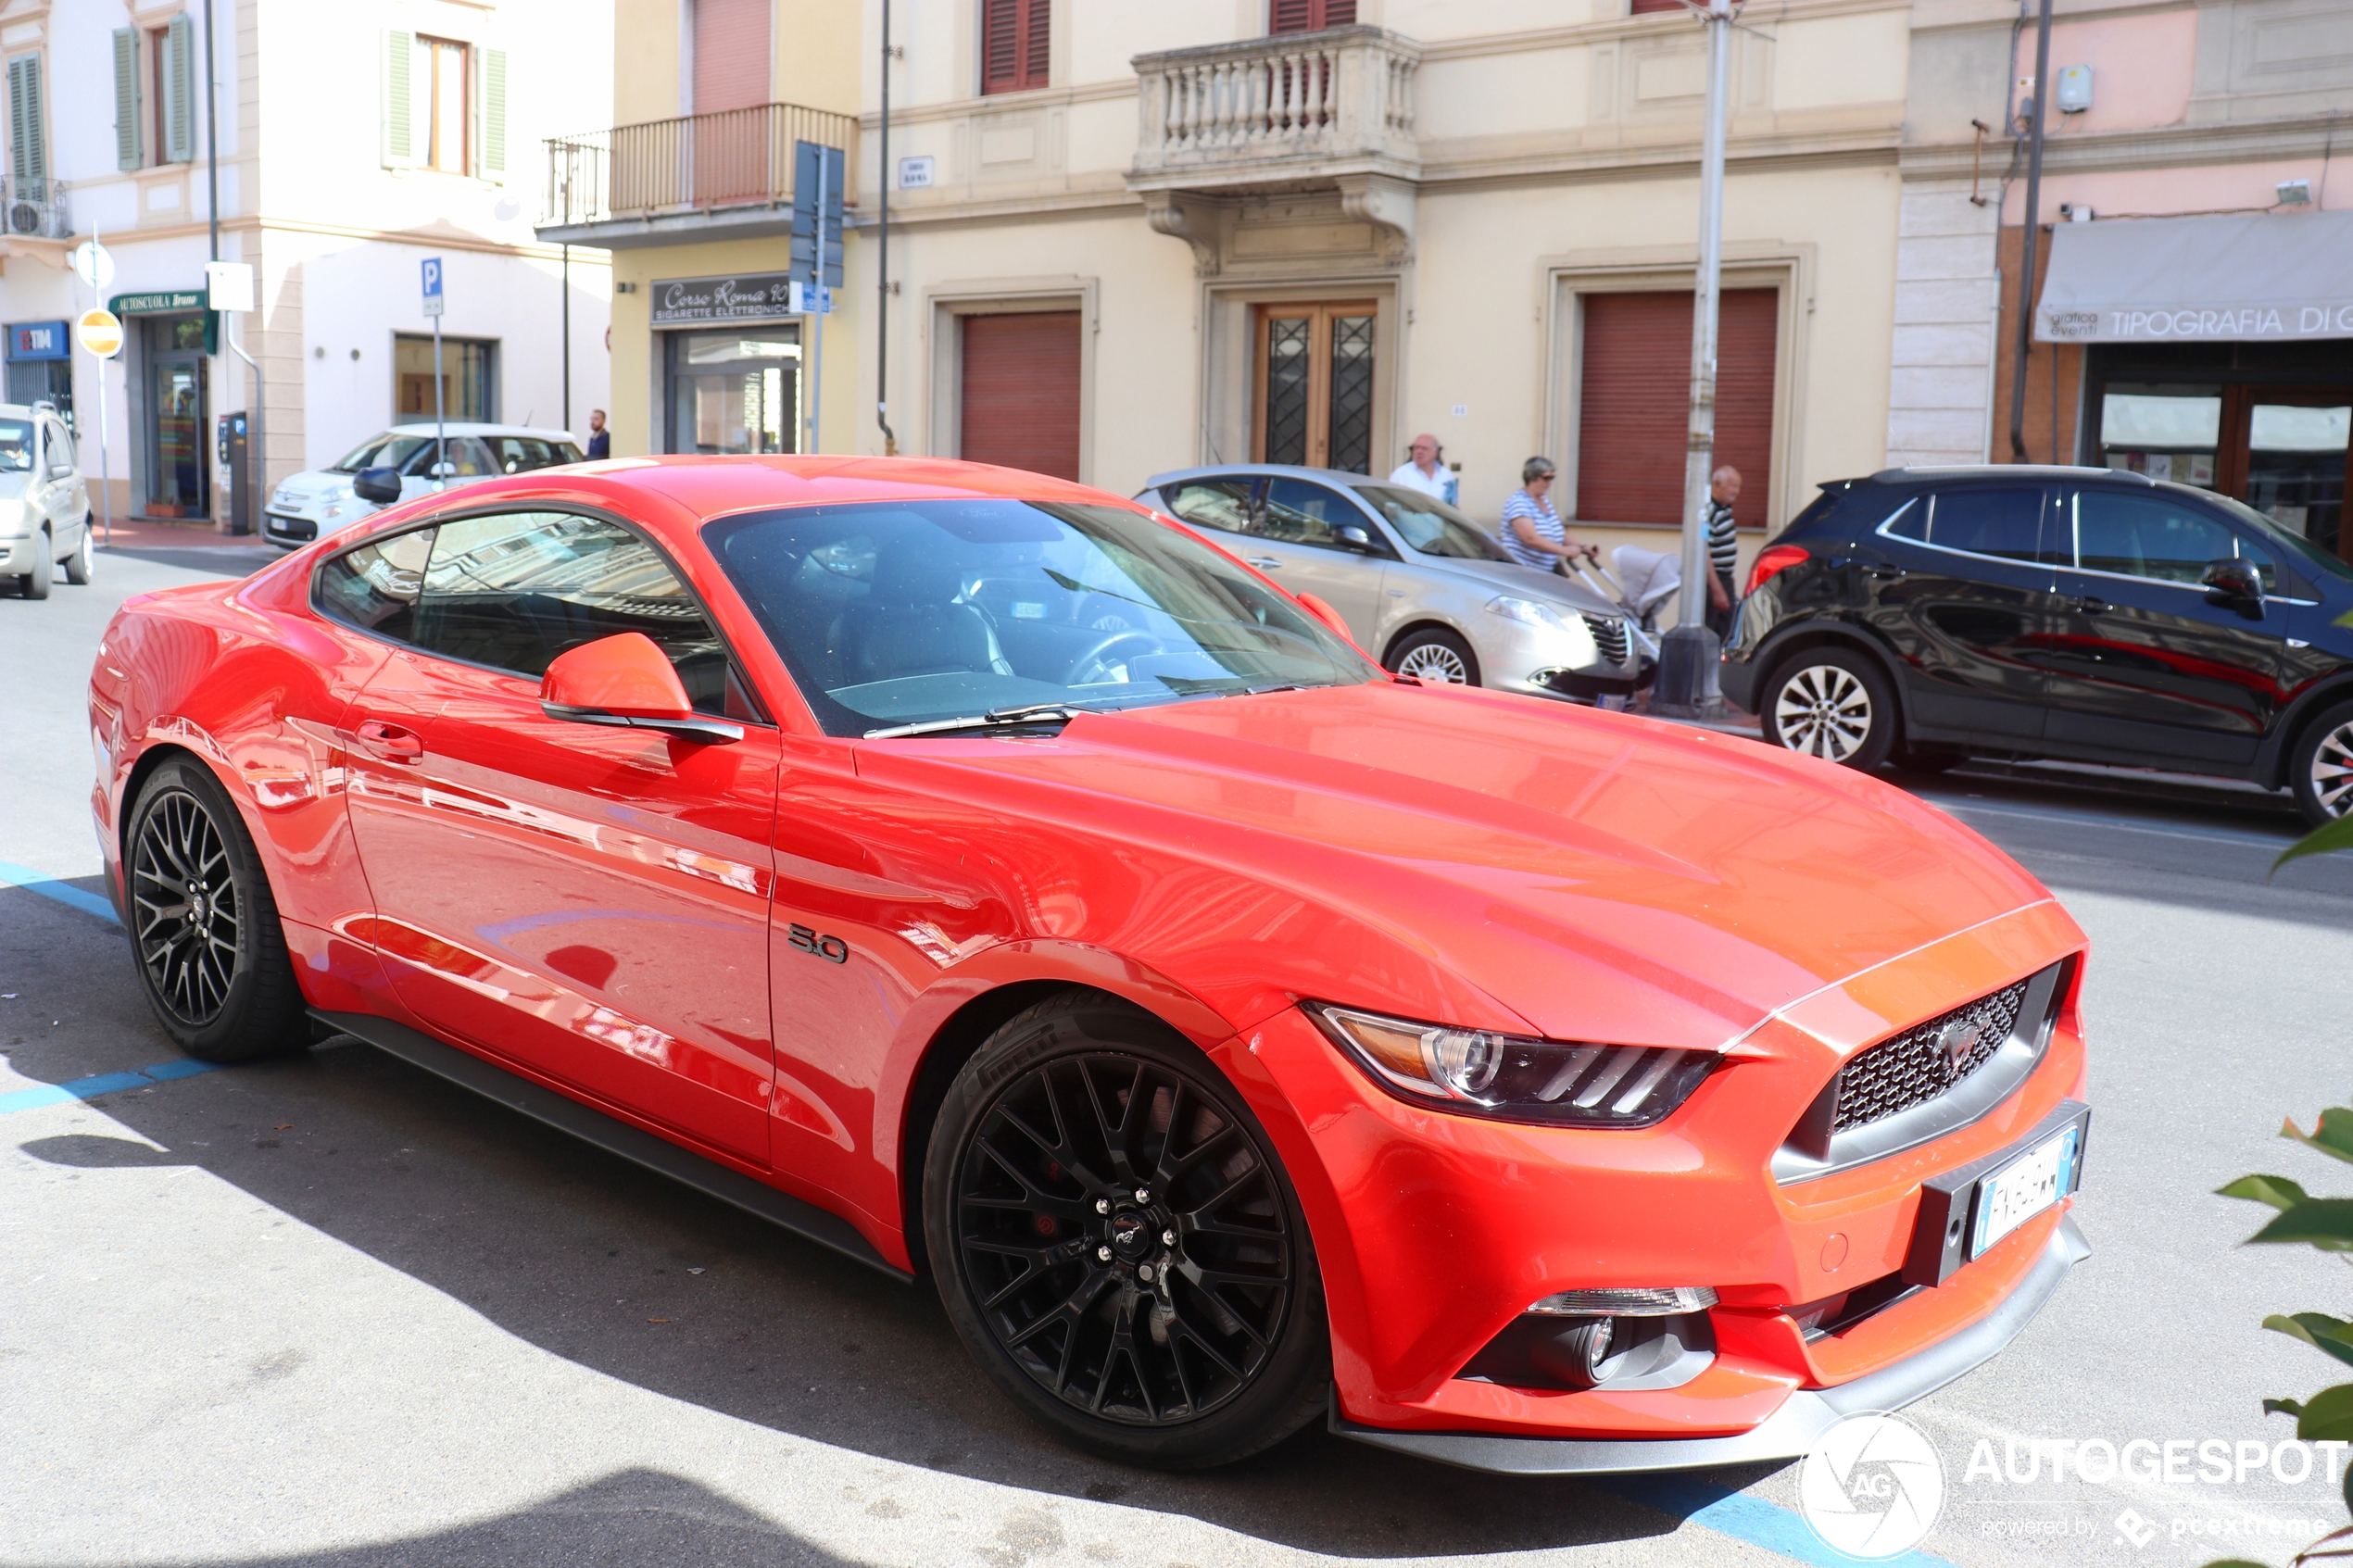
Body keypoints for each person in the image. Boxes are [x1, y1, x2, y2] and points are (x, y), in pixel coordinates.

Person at [1499, 457, 1597, 573]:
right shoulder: (1519, 502)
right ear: (1532, 477)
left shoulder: (1544, 501)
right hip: (1523, 571)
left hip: (1543, 571)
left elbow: (1559, 531)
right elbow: (1530, 538)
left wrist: (1582, 547)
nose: (1550, 483)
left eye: (1552, 478)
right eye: (1546, 478)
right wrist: (1564, 550)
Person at [1702, 465, 1740, 640]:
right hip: (1713, 581)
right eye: (1733, 485)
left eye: (1738, 486)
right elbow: (1703, 551)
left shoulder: (1724, 509)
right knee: (1712, 631)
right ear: (1717, 484)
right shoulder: (1709, 511)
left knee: (1727, 628)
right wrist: (1717, 589)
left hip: (1725, 579)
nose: (1736, 492)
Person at [1388, 433, 1457, 507]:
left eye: (1424, 449)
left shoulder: (1446, 474)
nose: (1419, 452)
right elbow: (1391, 504)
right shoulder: (1401, 474)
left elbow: (1453, 504)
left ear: (1435, 453)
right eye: (1416, 448)